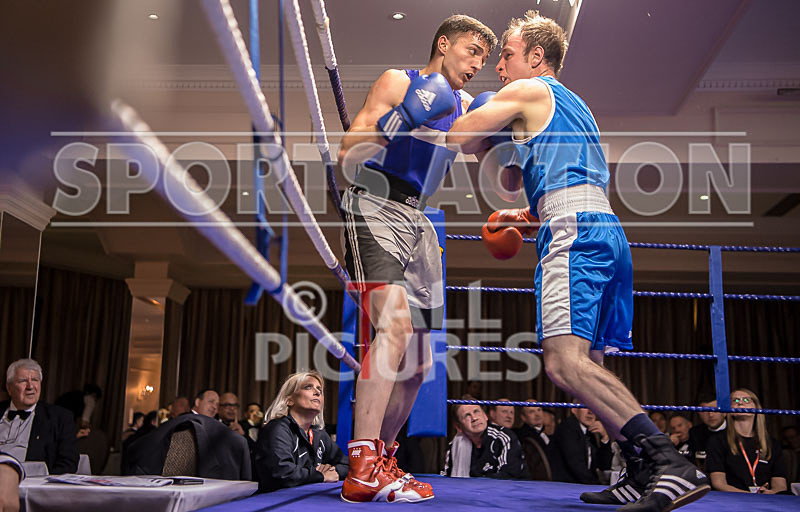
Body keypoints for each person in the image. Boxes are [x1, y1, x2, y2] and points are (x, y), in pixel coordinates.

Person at [447, 11, 710, 511]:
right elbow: (532, 174)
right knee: (590, 362)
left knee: (563, 362)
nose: (499, 66)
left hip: (574, 231)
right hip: (601, 226)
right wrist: (528, 212)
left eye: (506, 54)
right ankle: (639, 468)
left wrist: (456, 100)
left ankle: (668, 460)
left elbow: (459, 138)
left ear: (536, 57)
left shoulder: (531, 90)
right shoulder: (573, 105)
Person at [336, 14, 497, 503]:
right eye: (471, 51)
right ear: (444, 44)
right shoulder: (398, 81)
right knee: (395, 328)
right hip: (376, 203)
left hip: (420, 221)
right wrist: (403, 118)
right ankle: (360, 459)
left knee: (419, 359)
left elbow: (496, 166)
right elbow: (348, 152)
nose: (477, 64)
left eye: (485, 59)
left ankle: (381, 461)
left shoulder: (467, 107)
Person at [255, 371, 347, 492]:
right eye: (308, 387)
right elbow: (281, 473)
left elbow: (348, 465)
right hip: (273, 502)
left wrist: (331, 471)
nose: (317, 392)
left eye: (320, 389)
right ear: (289, 400)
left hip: (307, 500)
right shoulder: (277, 429)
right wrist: (320, 475)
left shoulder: (319, 435)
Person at [0, 359, 78, 474]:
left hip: (30, 485)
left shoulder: (60, 418)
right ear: (9, 388)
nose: (30, 386)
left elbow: (68, 464)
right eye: (23, 381)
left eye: (35, 380)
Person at [706, 388, 788, 494]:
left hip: (766, 502)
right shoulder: (717, 441)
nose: (740, 403)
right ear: (728, 409)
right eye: (735, 401)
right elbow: (718, 483)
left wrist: (769, 493)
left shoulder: (772, 444)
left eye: (746, 400)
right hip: (732, 501)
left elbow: (780, 485)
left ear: (756, 407)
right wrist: (750, 496)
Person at [442, 403, 527, 479]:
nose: (474, 418)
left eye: (476, 412)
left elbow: (508, 476)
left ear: (485, 416)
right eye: (467, 415)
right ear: (458, 427)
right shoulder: (455, 446)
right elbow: (446, 477)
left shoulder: (503, 437)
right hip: (472, 493)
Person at [549, 407, 612, 484]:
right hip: (566, 487)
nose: (590, 412)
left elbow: (604, 465)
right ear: (574, 410)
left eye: (593, 407)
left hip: (580, 485)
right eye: (585, 407)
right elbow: (577, 467)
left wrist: (605, 437)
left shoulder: (589, 432)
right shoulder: (567, 429)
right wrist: (598, 486)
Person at [690, 393, 726, 468]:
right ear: (698, 413)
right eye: (705, 410)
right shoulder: (695, 433)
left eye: (715, 409)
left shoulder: (736, 431)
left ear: (725, 412)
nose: (710, 415)